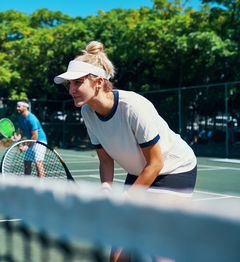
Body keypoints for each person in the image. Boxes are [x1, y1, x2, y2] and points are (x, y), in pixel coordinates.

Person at [54, 41, 197, 262]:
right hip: (141, 170)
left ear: (99, 82)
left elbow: (156, 164)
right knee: (119, 249)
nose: (71, 90)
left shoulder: (133, 107)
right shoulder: (88, 113)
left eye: (77, 83)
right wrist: (105, 188)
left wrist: (126, 198)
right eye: (69, 84)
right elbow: (105, 160)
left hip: (174, 170)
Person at [12, 99, 48, 178]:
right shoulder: (20, 117)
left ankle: (42, 185)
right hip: (31, 141)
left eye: (19, 106)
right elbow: (21, 132)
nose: (17, 108)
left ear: (25, 107)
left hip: (40, 141)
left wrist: (25, 147)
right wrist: (17, 137)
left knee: (38, 163)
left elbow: (35, 136)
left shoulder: (31, 118)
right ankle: (26, 183)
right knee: (27, 163)